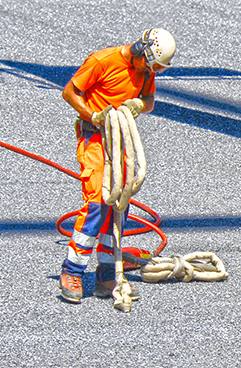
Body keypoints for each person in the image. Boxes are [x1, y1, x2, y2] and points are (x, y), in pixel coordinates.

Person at [58, 28, 176, 304]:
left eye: (157, 68)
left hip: (119, 141)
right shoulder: (102, 61)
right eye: (152, 65)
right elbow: (69, 93)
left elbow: (148, 102)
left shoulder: (146, 71)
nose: (153, 72)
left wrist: (137, 104)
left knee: (119, 205)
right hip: (95, 139)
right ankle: (72, 270)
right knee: (97, 203)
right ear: (139, 51)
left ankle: (107, 274)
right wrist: (95, 115)